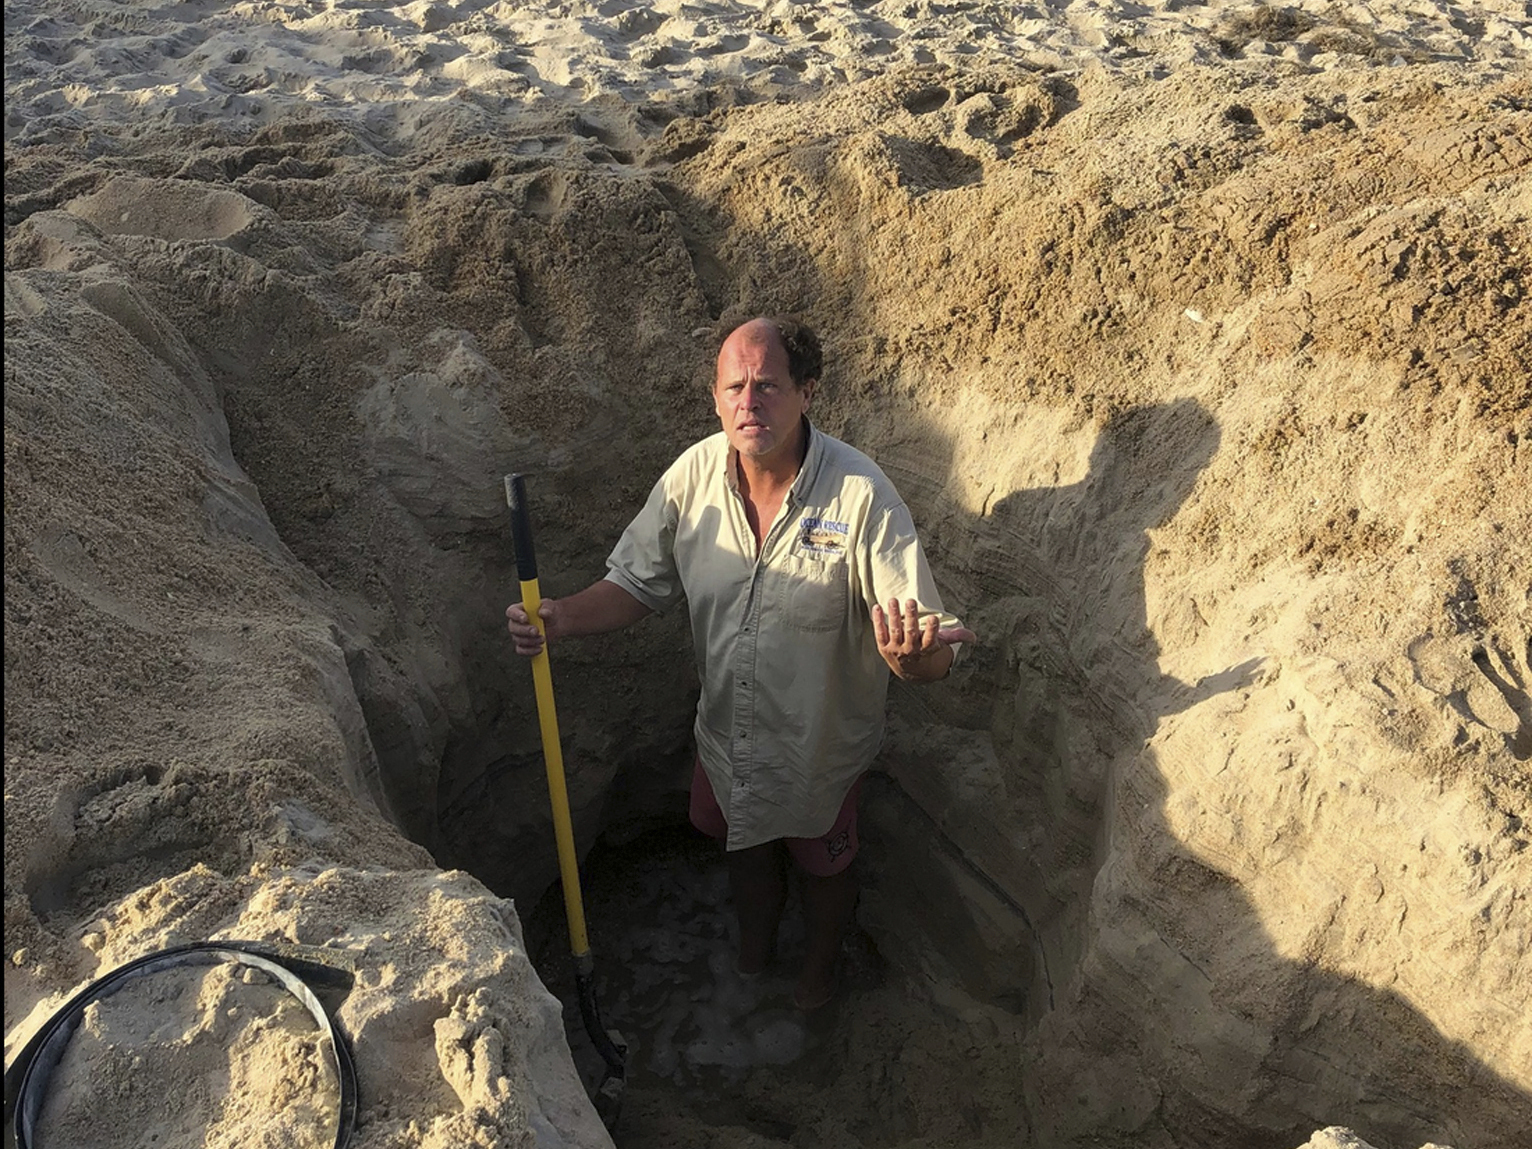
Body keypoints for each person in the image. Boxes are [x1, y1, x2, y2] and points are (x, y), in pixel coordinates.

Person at [506, 316, 974, 1010]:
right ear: (715, 397)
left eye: (768, 385)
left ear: (806, 391)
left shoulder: (862, 495)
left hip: (819, 754)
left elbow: (930, 651)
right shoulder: (690, 481)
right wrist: (562, 616)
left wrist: (913, 660)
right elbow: (637, 583)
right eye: (736, 386)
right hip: (727, 739)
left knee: (823, 869)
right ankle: (751, 963)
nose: (750, 402)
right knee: (746, 851)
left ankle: (817, 978)